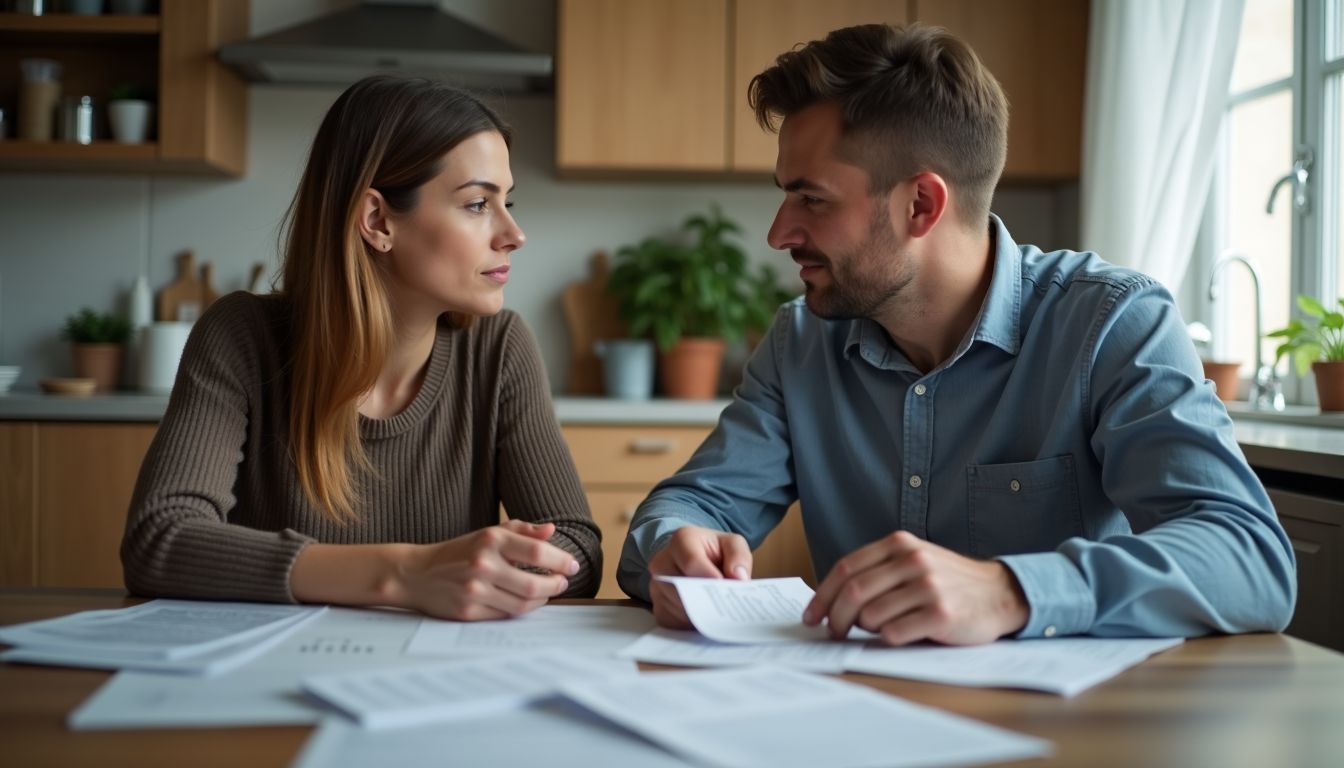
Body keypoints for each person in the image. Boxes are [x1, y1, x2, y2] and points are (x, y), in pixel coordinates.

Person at [618, 23, 1295, 644]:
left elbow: (1250, 559)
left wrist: (1013, 591)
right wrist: (675, 541)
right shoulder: (802, 344)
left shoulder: (1112, 324)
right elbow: (695, 502)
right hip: (851, 717)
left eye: (811, 199)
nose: (778, 233)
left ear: (921, 204)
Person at [122, 75, 601, 620]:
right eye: (476, 204)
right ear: (377, 221)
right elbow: (159, 539)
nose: (514, 233)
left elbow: (579, 550)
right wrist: (405, 574)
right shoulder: (241, 336)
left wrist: (508, 564)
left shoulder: (499, 347)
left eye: (506, 202)